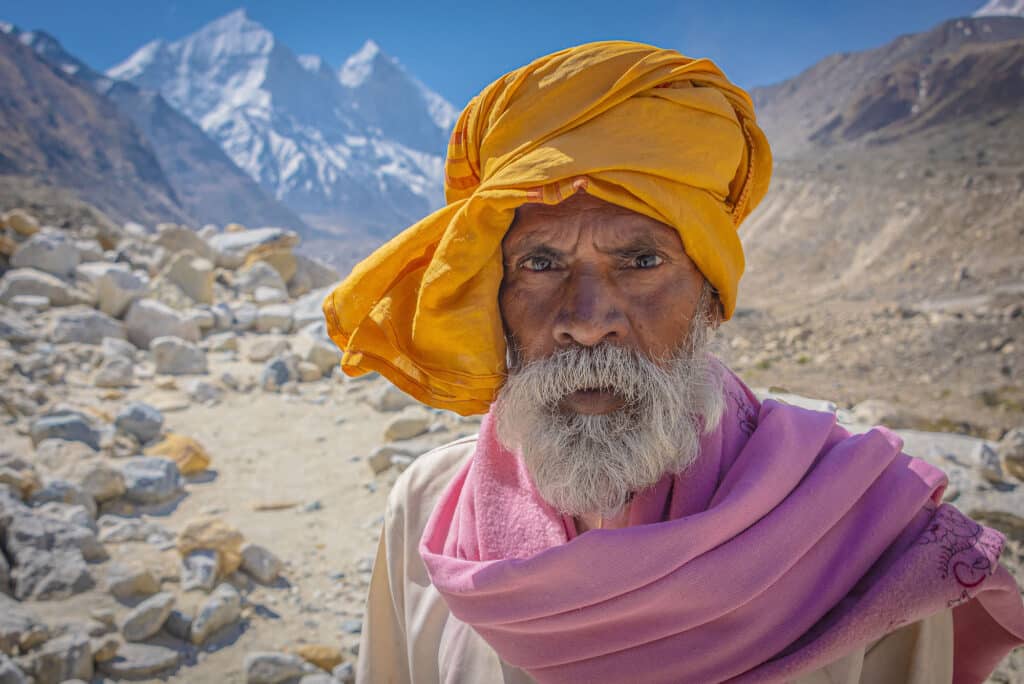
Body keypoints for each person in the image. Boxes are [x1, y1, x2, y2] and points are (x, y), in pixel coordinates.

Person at [323, 41, 1024, 683]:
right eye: (540, 263)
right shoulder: (426, 511)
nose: (588, 321)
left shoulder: (866, 542)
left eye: (642, 262)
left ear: (710, 298)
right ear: (494, 299)